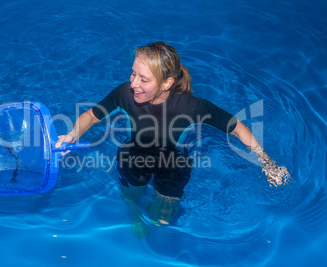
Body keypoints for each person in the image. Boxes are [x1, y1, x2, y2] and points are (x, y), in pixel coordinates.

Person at [55, 41, 289, 238]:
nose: (134, 83)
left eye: (143, 79)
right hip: (134, 154)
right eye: (133, 73)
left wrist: (268, 165)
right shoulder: (124, 94)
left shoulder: (192, 107)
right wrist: (72, 135)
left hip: (174, 162)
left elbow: (238, 128)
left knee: (162, 218)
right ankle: (134, 215)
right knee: (131, 196)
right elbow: (92, 116)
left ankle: (155, 218)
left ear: (167, 83)